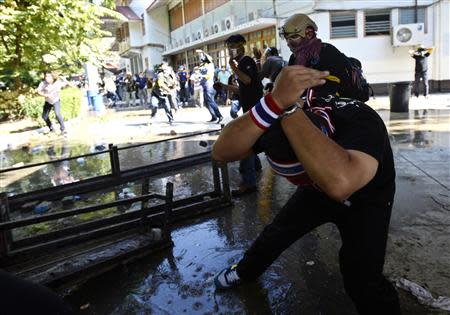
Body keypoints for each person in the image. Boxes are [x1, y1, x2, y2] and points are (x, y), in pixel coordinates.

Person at [212, 61, 400, 315]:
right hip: (320, 189)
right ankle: (244, 272)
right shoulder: (289, 117)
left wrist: (288, 112)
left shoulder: (362, 120)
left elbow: (340, 183)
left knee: (362, 277)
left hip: (368, 196)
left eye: (302, 175)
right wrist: (274, 103)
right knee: (276, 233)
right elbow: (221, 152)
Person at [217, 34, 263, 196]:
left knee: (245, 143)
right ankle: (256, 165)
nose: (231, 50)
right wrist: (224, 86)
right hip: (249, 107)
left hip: (254, 108)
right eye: (229, 47)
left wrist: (233, 67)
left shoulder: (246, 61)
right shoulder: (242, 63)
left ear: (241, 46)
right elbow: (242, 89)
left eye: (233, 47)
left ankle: (249, 182)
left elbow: (248, 81)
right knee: (250, 141)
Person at [197, 49, 223, 123]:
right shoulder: (203, 65)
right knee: (206, 102)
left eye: (203, 57)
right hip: (204, 85)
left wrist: (201, 76)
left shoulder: (210, 65)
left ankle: (219, 116)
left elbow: (208, 75)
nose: (201, 58)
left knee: (211, 101)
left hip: (209, 86)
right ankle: (214, 116)